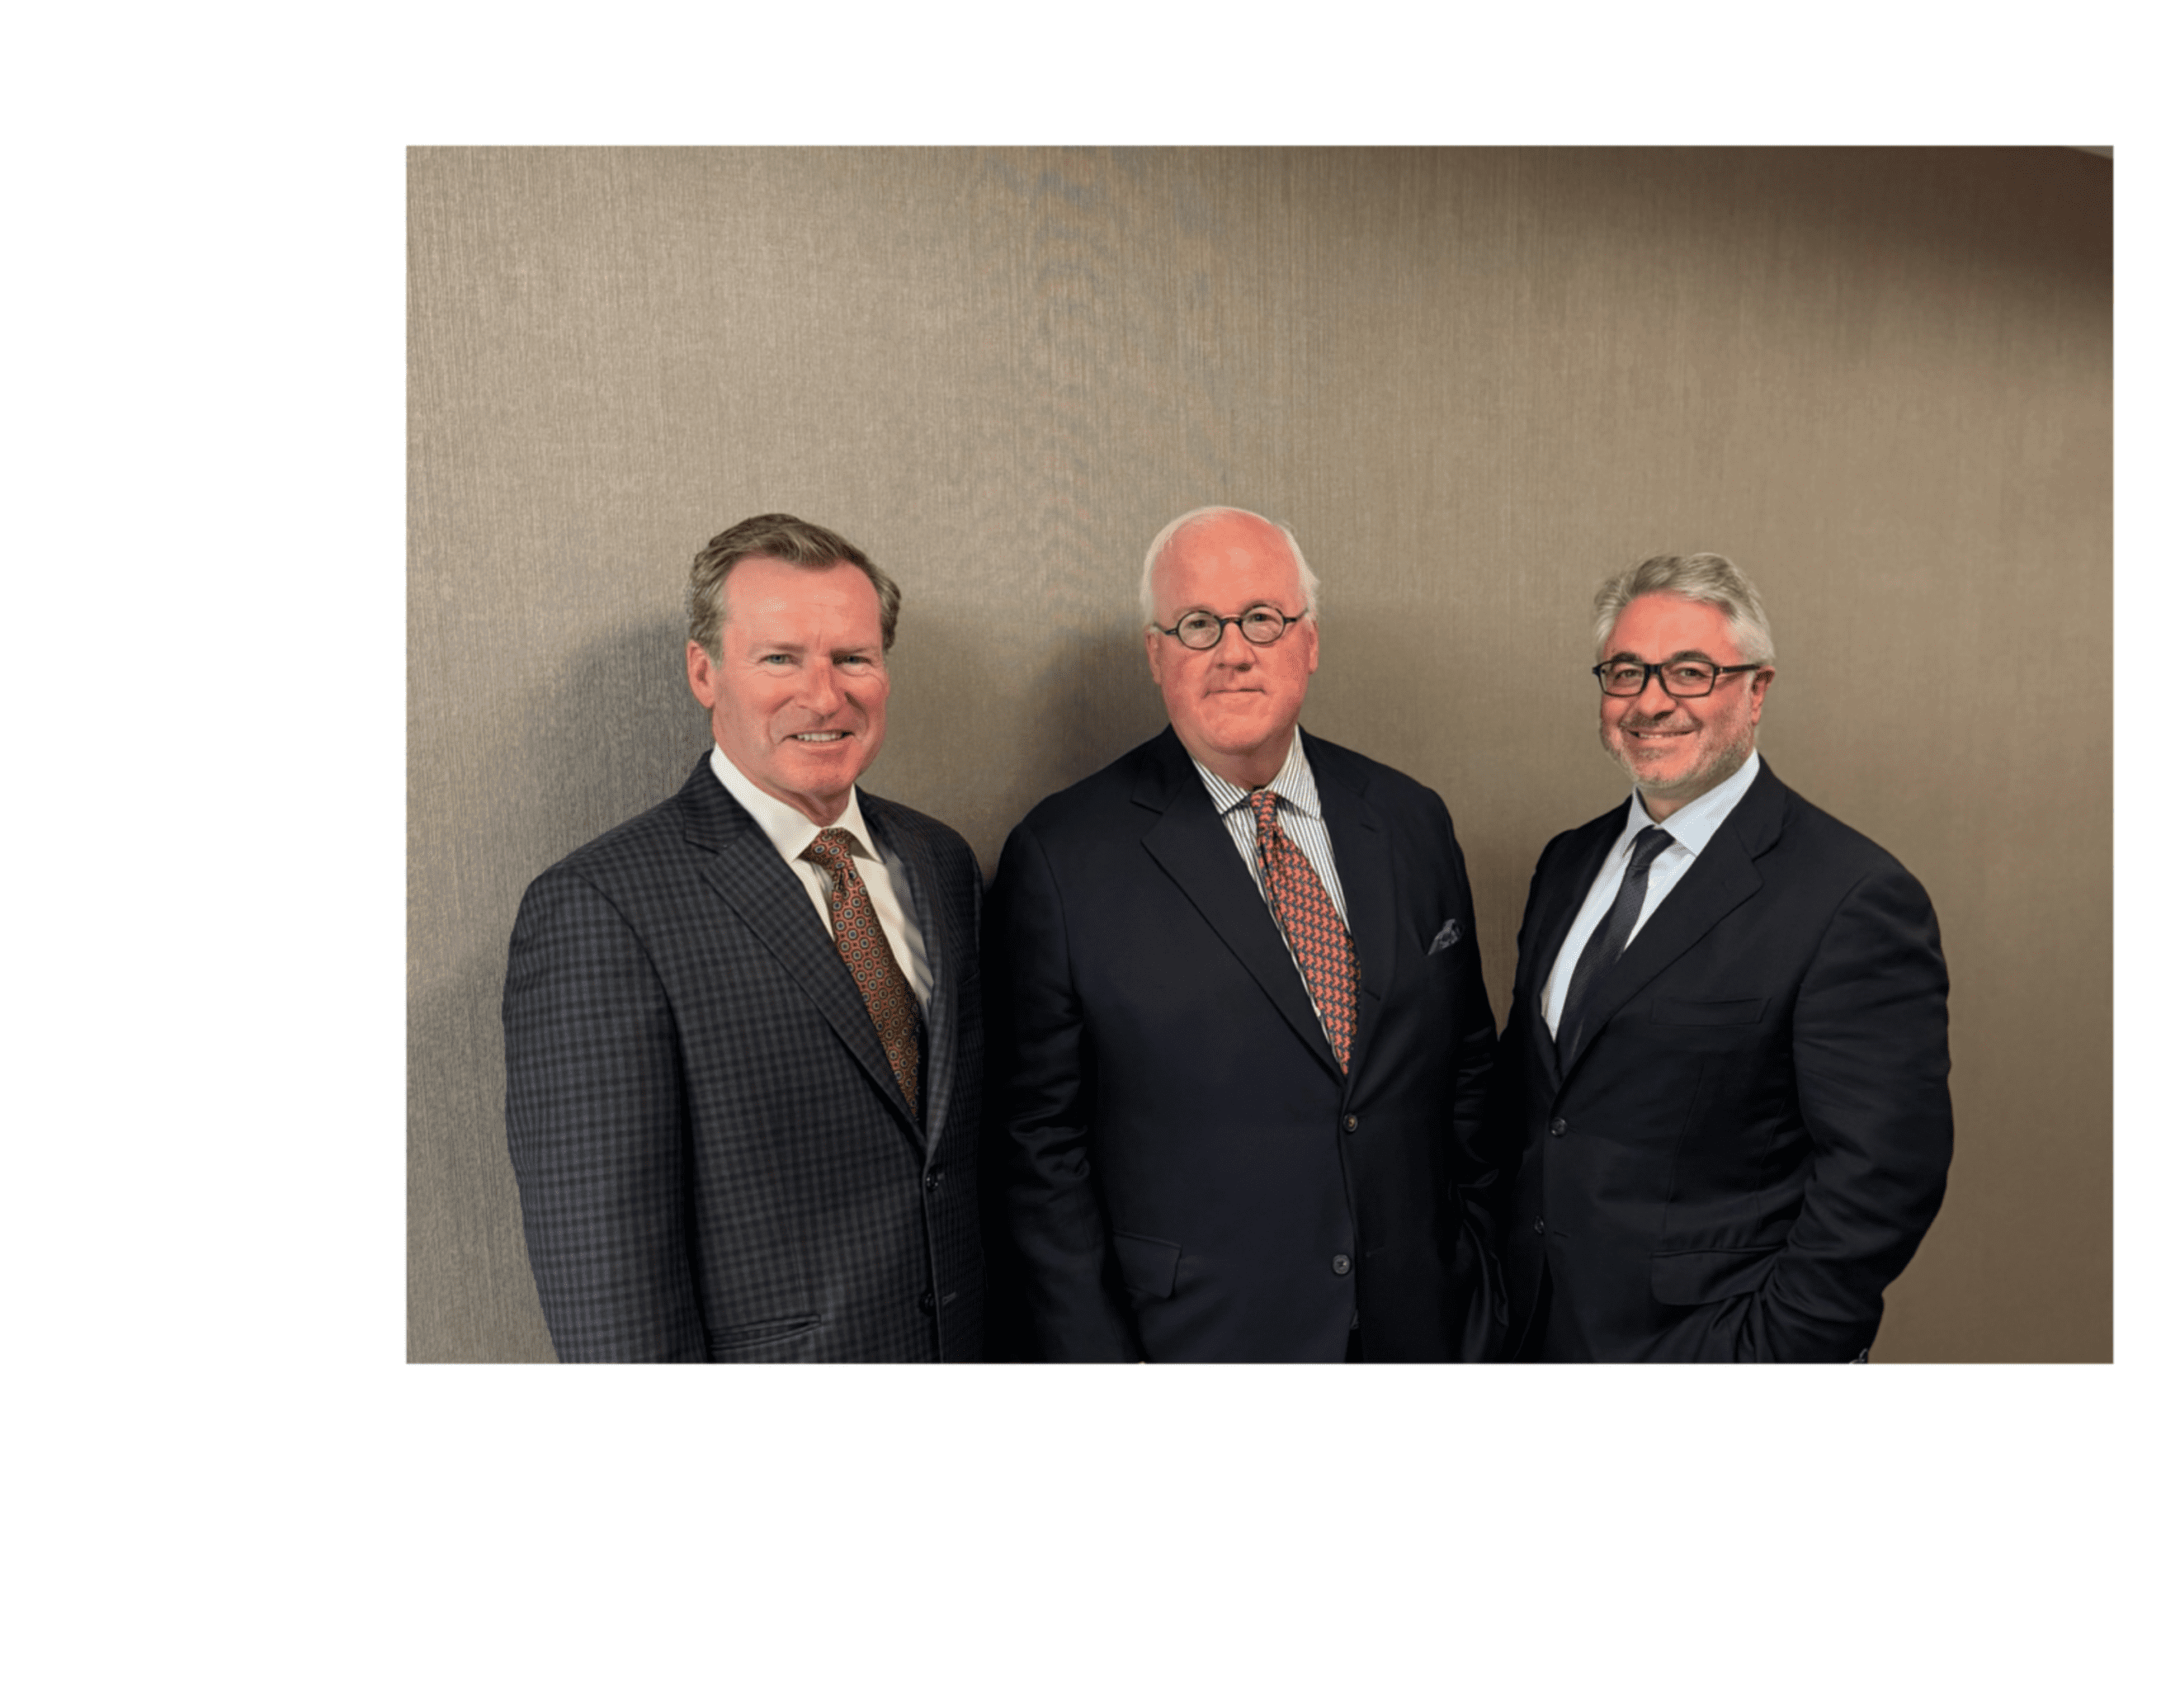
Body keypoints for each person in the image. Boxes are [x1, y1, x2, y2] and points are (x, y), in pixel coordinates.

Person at [987, 507, 1505, 1361]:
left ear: (1310, 642)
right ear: (1156, 654)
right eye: (1198, 624)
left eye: (1263, 618)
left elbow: (1468, 1068)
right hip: (1197, 1342)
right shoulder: (1062, 855)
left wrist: (1480, 1285)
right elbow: (1041, 1153)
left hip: (1421, 1326)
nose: (1234, 650)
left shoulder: (1411, 818)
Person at [502, 513, 984, 1361]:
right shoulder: (600, 910)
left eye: (853, 658)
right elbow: (603, 1280)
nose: (825, 694)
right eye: (781, 658)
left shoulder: (941, 864)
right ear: (704, 672)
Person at [1499, 553, 1951, 1362]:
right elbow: (1538, 1104)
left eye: (1691, 672)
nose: (1651, 701)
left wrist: (1769, 1354)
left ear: (1757, 690)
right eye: (1626, 672)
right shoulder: (1567, 863)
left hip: (1715, 1343)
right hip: (1535, 1329)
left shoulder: (1852, 896)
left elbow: (1884, 1174)